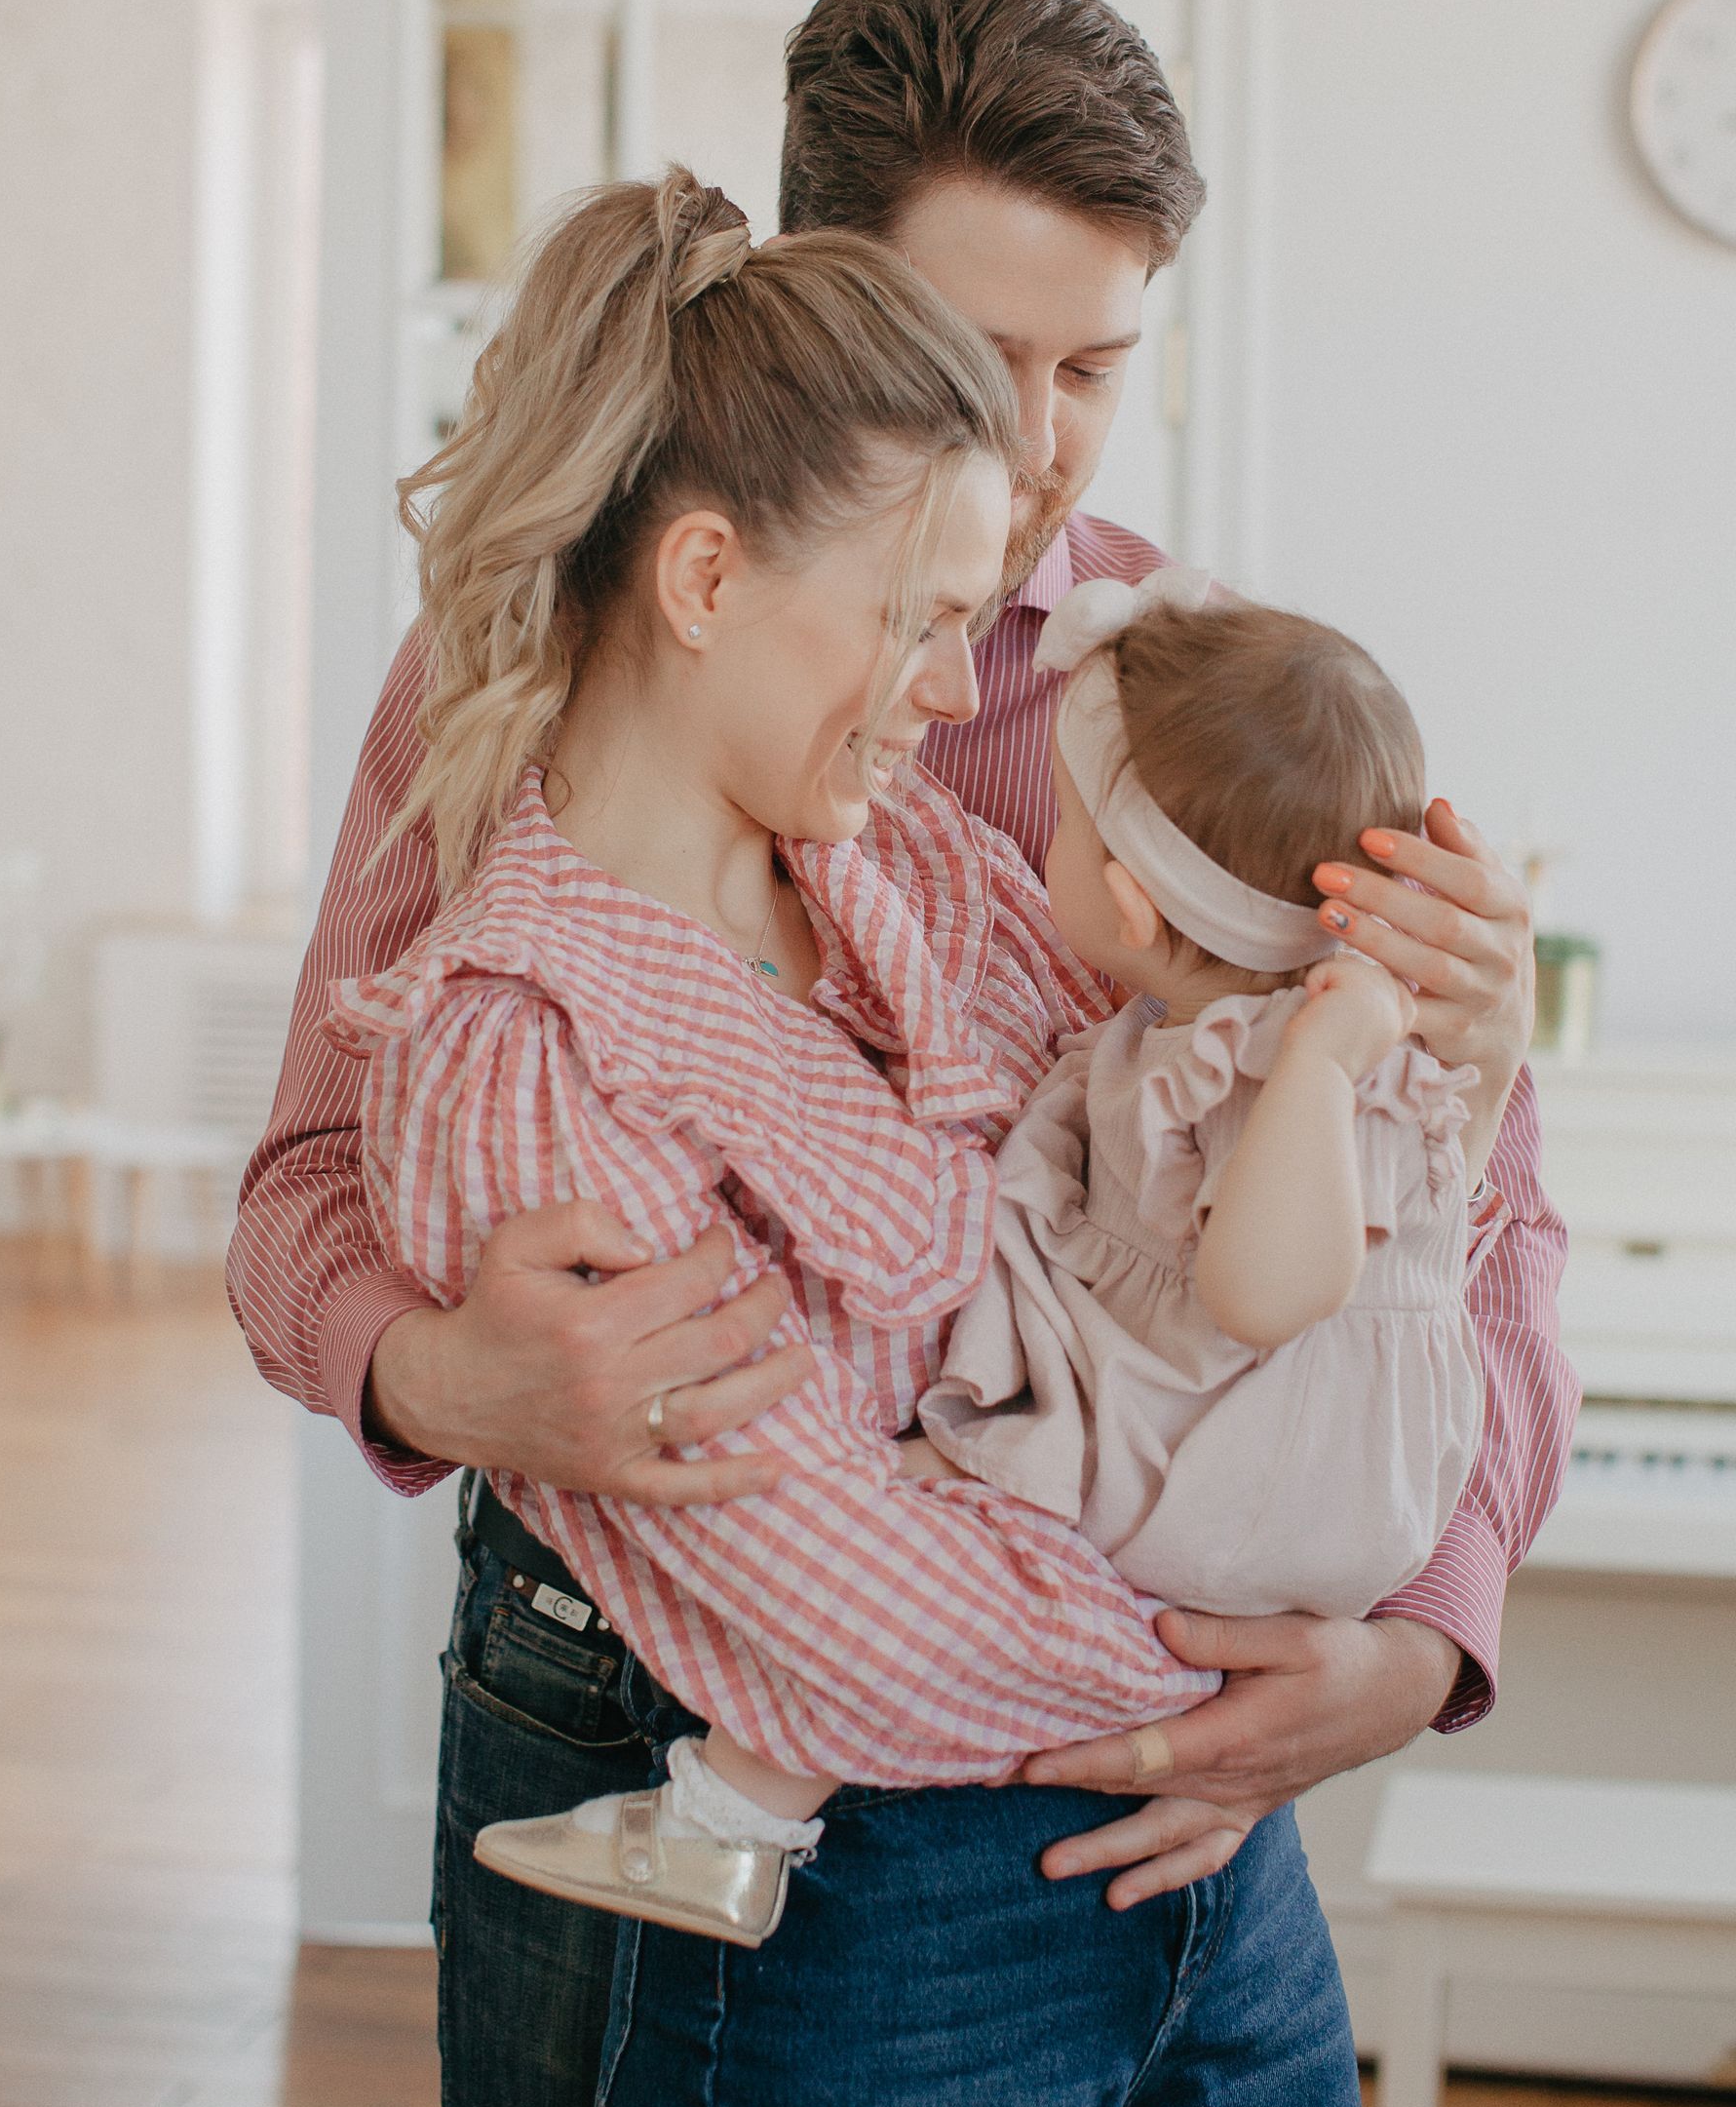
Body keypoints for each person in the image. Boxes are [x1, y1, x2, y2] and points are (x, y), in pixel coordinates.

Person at [228, 0, 1576, 2107]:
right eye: (983, 357)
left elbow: (1478, 1214)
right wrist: (437, 1372)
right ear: (826, 300)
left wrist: (1419, 1639)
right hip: (691, 1708)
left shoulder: (1195, 689)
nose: (1042, 451)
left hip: (1200, 1794)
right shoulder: (515, 675)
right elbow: (300, 1183)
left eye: (1099, 365)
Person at [468, 567, 1499, 1948]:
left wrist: (1321, 1065)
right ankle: (738, 1804)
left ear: (1131, 908)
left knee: (921, 1521)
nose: (1037, 845)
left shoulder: (1297, 1066)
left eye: (1065, 830)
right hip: (1237, 1428)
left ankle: (731, 1821)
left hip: (1243, 1462)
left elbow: (1264, 1296)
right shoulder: (1216, 1032)